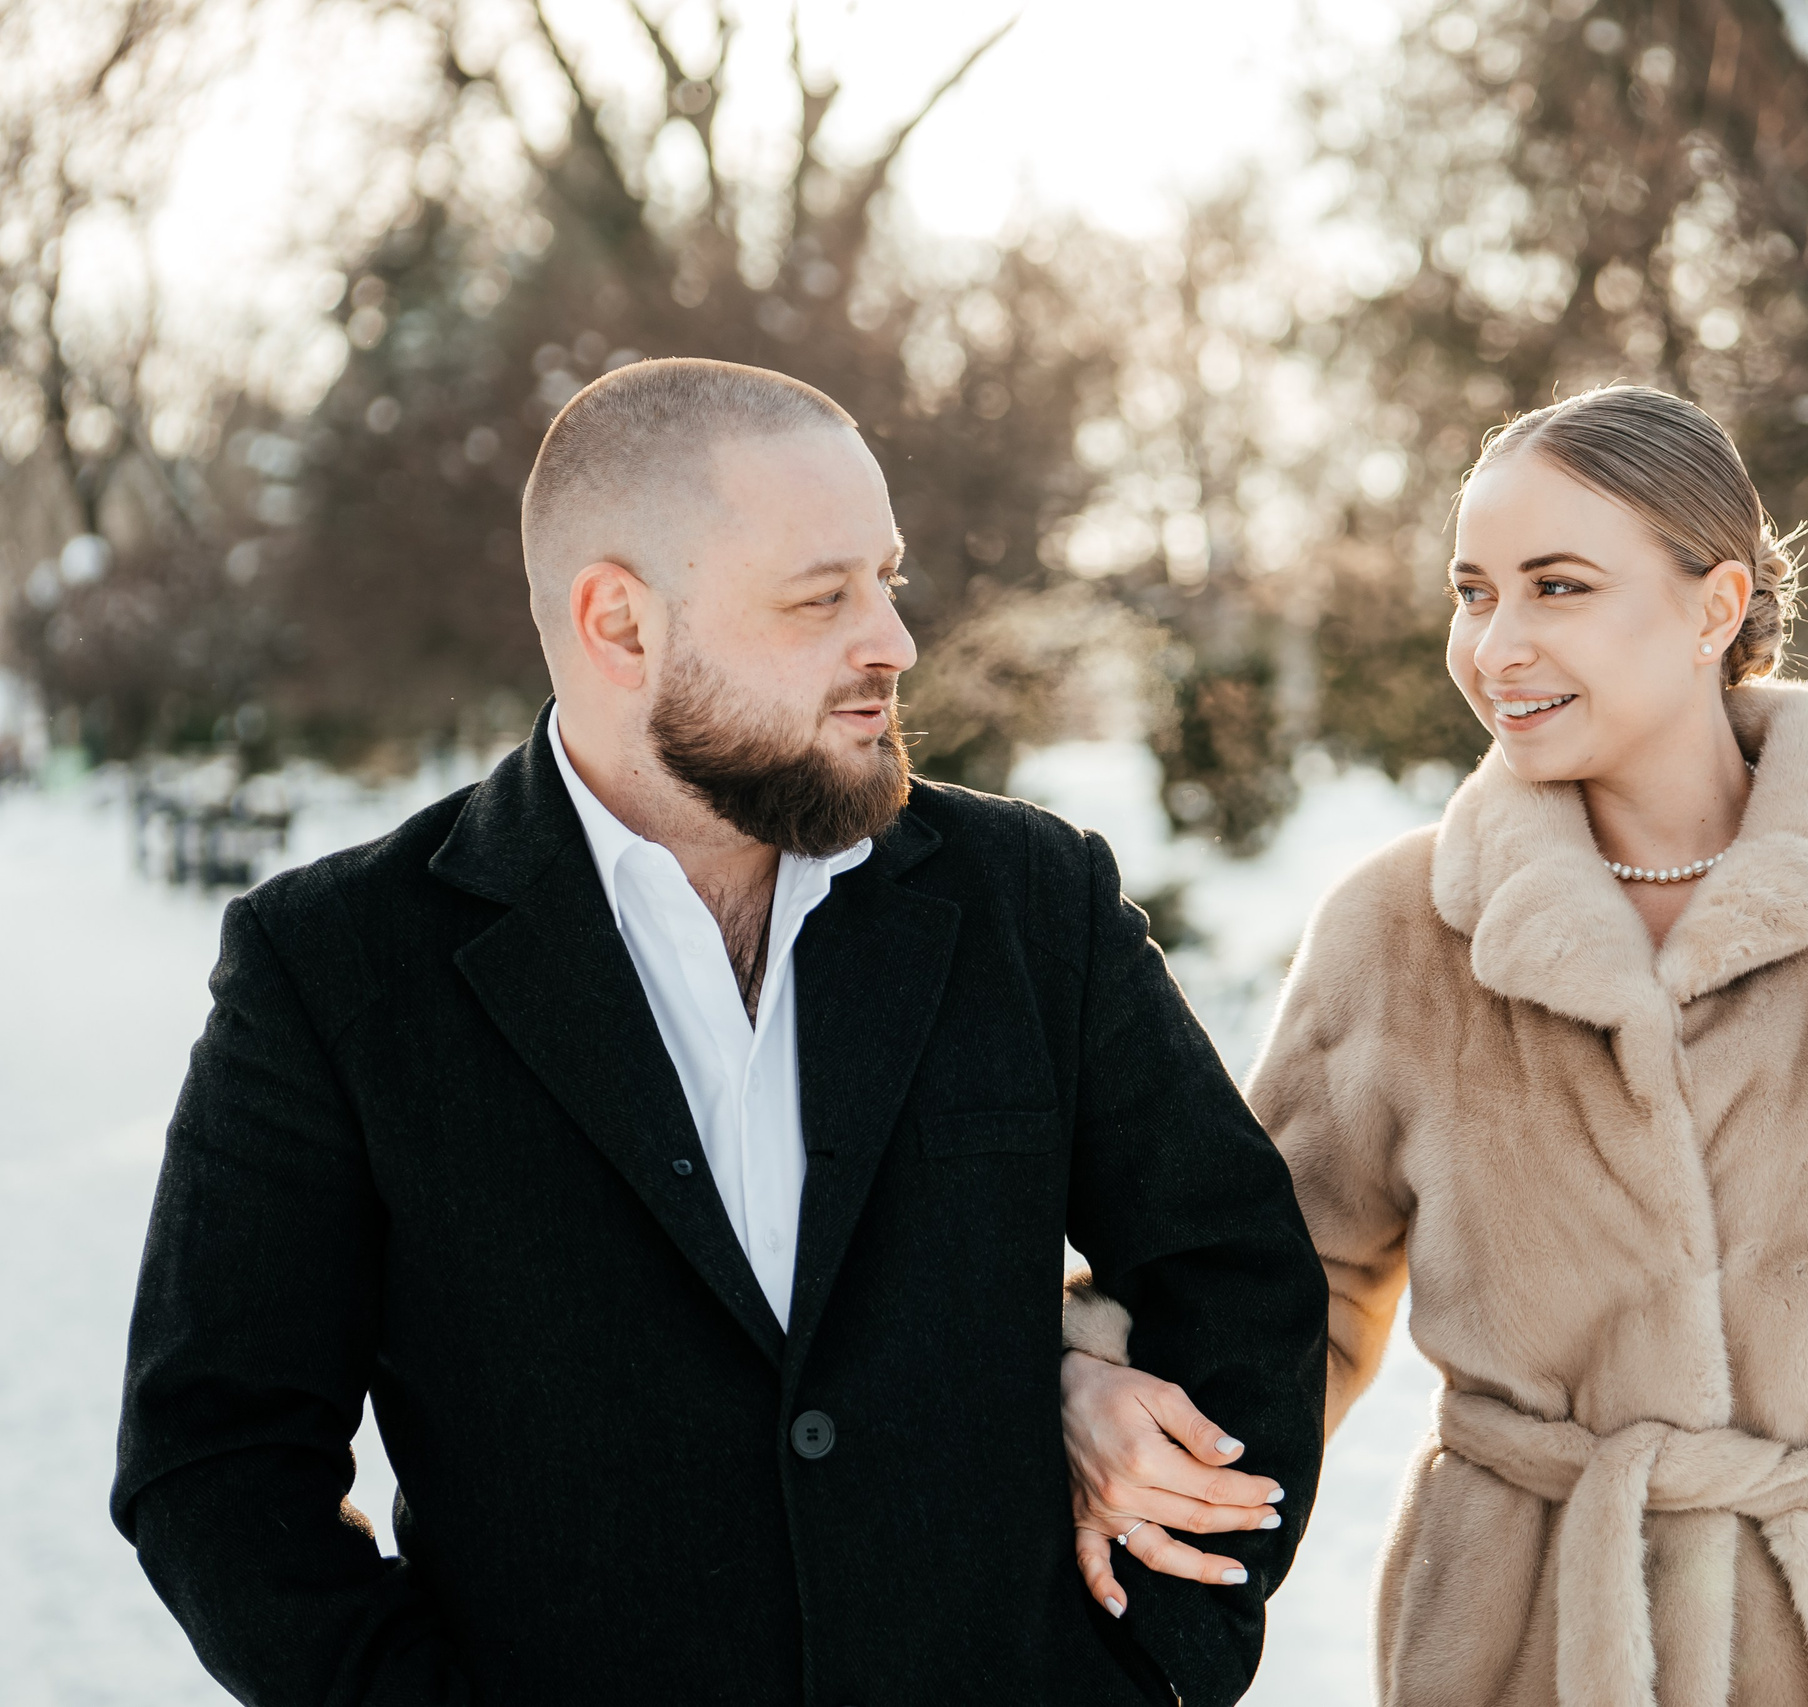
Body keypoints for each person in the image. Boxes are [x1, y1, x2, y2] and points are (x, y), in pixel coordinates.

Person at [112, 357, 1327, 1707]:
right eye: (822, 597)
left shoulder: (1033, 900)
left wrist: (1157, 1666)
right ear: (621, 625)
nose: (893, 641)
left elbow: (1237, 1275)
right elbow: (217, 1464)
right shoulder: (335, 967)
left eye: (888, 581)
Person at [1058, 384, 1808, 1707]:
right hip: (1521, 1651)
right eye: (1474, 594)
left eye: (1558, 587)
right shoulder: (1399, 933)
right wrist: (1084, 1388)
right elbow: (1266, 1289)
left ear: (1715, 607)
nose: (1496, 645)